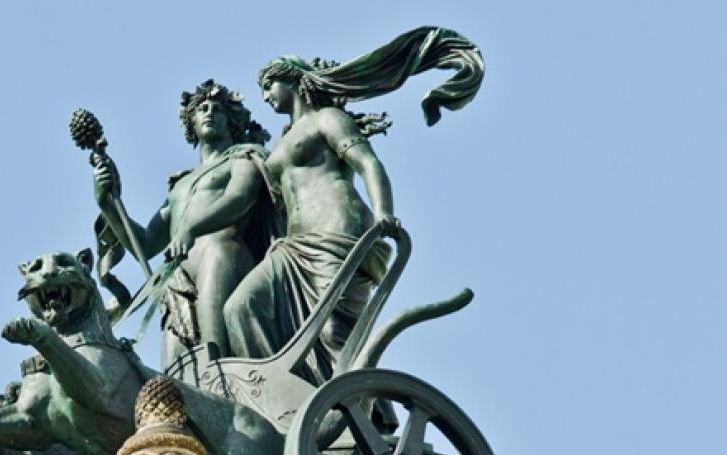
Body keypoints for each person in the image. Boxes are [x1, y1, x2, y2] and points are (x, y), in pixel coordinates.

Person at [223, 27, 484, 383]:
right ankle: (282, 390)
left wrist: (383, 212)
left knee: (333, 333)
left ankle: (363, 413)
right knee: (241, 307)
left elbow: (368, 163)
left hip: (336, 231)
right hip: (291, 247)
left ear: (294, 79)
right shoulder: (281, 143)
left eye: (269, 84)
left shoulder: (327, 119)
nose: (265, 95)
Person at [93, 80, 274, 374]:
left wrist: (191, 227)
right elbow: (147, 243)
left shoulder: (243, 157)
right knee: (177, 364)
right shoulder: (181, 185)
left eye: (218, 109)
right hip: (177, 274)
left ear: (232, 122)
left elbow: (239, 198)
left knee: (216, 350)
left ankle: (228, 384)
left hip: (222, 252)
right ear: (191, 122)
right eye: (202, 108)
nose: (210, 113)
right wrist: (109, 205)